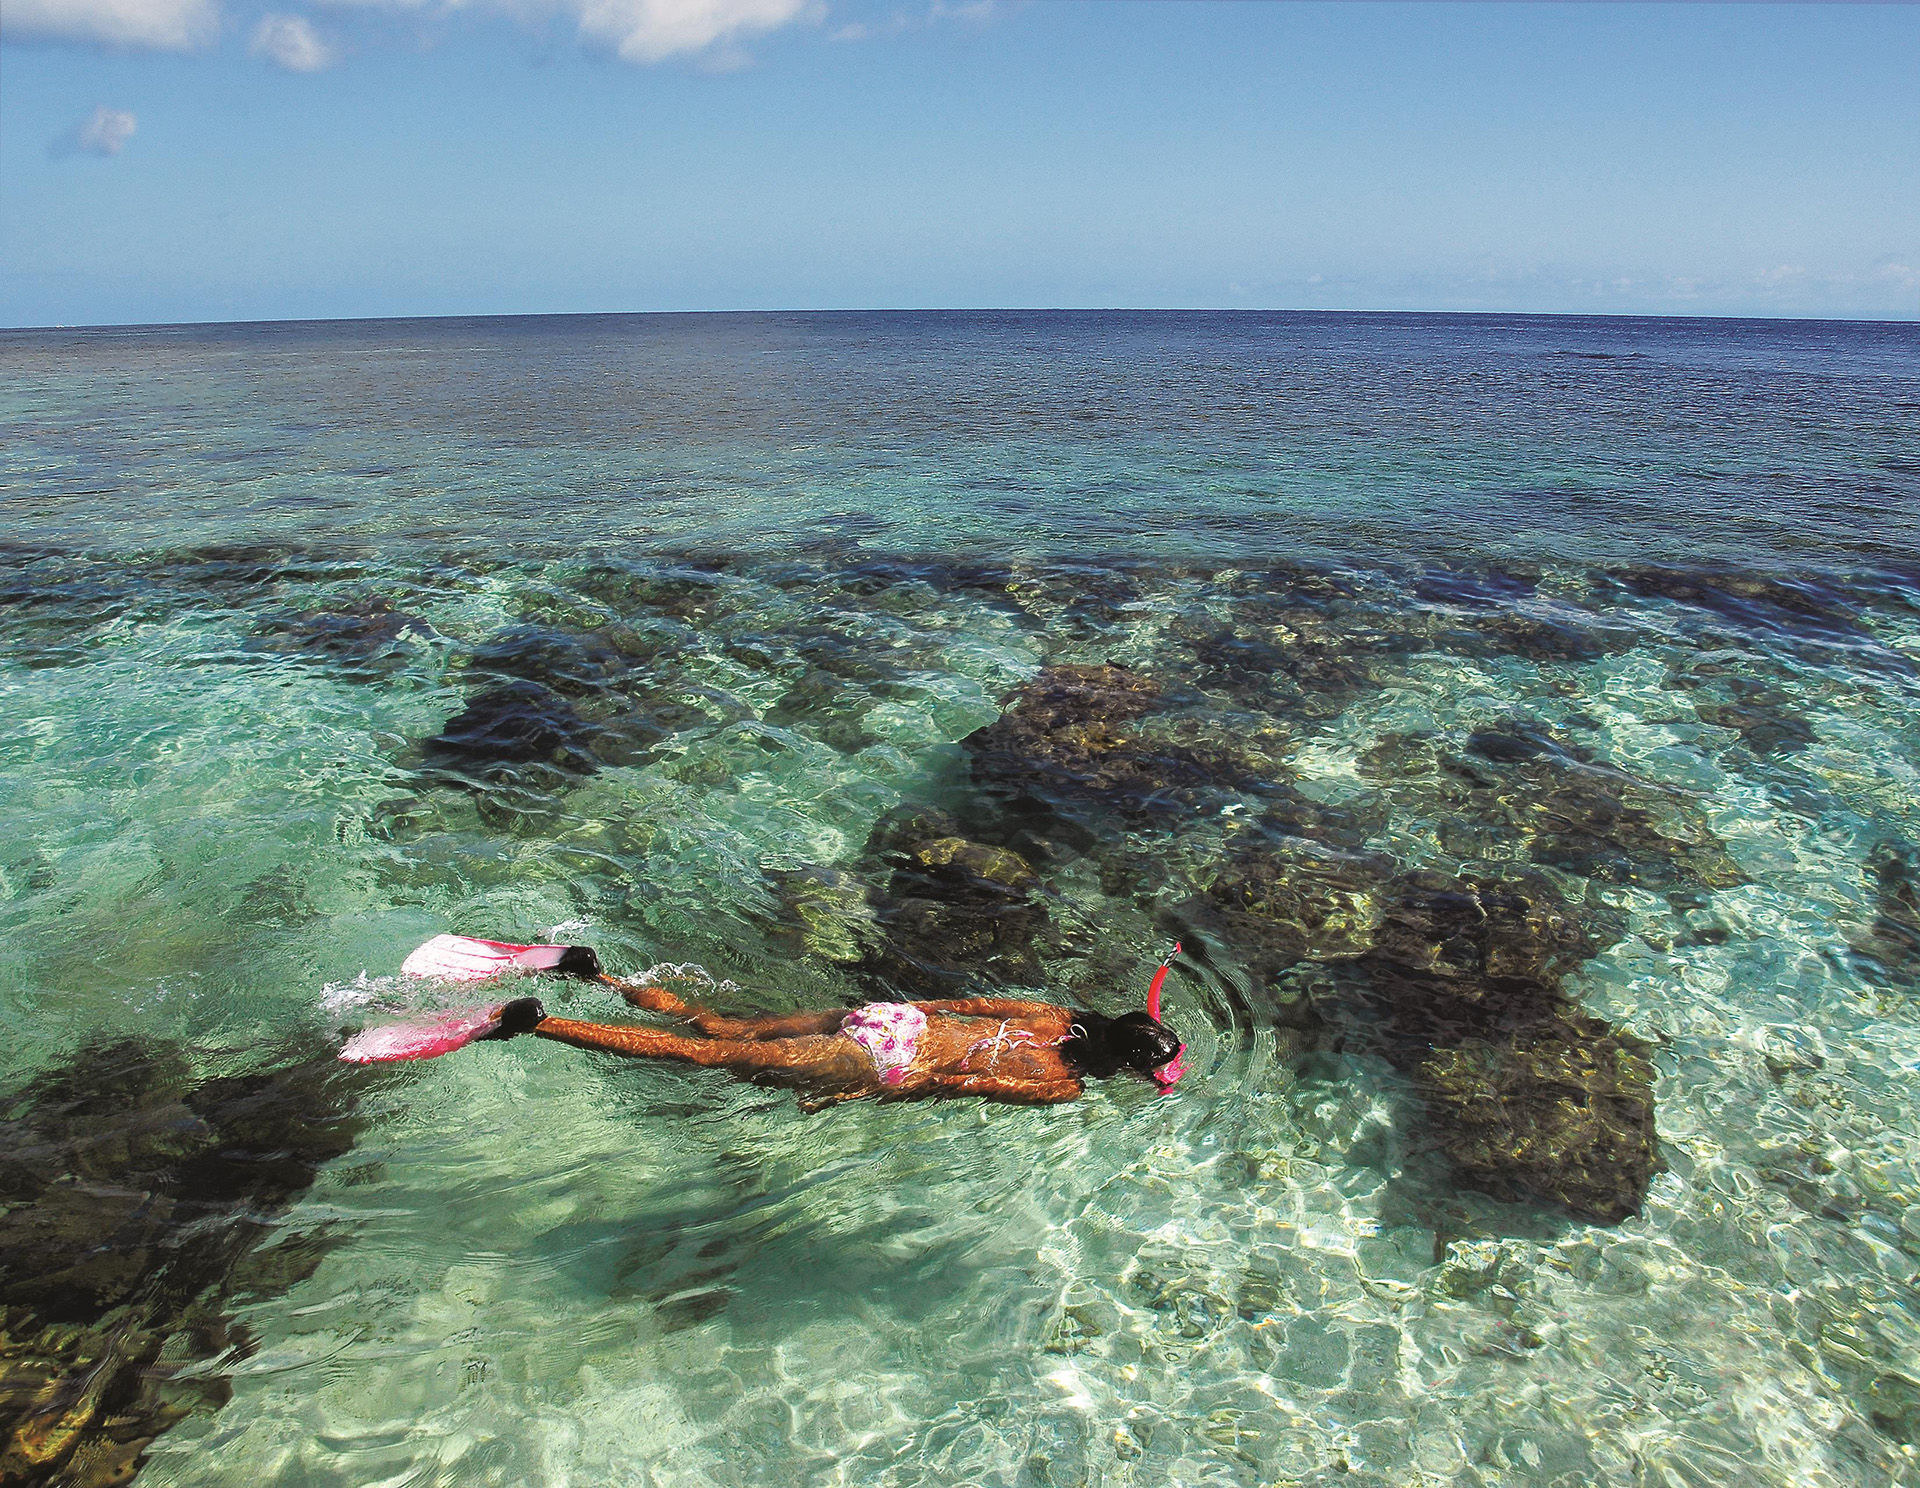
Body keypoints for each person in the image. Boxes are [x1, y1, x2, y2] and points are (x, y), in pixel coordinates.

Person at [472, 949, 1186, 1107]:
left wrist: (892, 1025)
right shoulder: (1060, 1087)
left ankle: (597, 975)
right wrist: (866, 1091)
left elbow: (954, 1008)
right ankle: (538, 1025)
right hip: (881, 1057)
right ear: (1123, 1067)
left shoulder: (1054, 1016)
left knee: (721, 1023)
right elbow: (955, 1080)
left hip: (887, 1019)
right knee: (706, 1055)